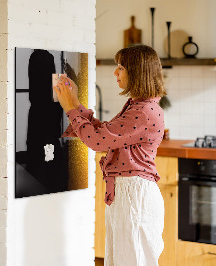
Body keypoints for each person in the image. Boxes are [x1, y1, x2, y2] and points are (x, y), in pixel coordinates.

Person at [53, 44, 166, 266]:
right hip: (128, 193)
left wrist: (69, 108)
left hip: (134, 195)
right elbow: (105, 134)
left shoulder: (143, 111)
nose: (115, 72)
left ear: (137, 71)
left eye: (121, 67)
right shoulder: (138, 106)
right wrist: (75, 103)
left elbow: (97, 141)